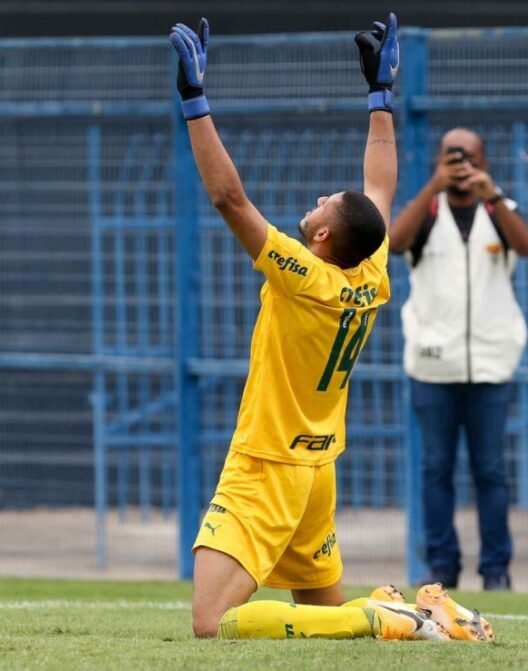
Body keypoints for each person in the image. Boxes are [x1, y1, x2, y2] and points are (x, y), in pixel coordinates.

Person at [169, 13, 494, 643]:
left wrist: (194, 101)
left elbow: (230, 201)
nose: (319, 197)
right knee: (322, 617)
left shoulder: (304, 275)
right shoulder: (369, 273)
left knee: (213, 623)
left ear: (320, 238)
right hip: (317, 469)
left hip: (267, 464)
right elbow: (380, 184)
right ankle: (426, 616)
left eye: (324, 203)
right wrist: (381, 97)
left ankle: (383, 611)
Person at [389, 128, 528, 591]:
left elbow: (525, 246)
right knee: (435, 468)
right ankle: (442, 568)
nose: (461, 165)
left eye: (469, 156)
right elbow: (392, 242)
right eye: (452, 156)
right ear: (438, 161)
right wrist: (432, 186)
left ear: (483, 161)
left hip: (490, 366)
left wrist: (497, 197)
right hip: (433, 366)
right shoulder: (427, 212)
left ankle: (496, 571)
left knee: (490, 470)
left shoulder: (499, 211)